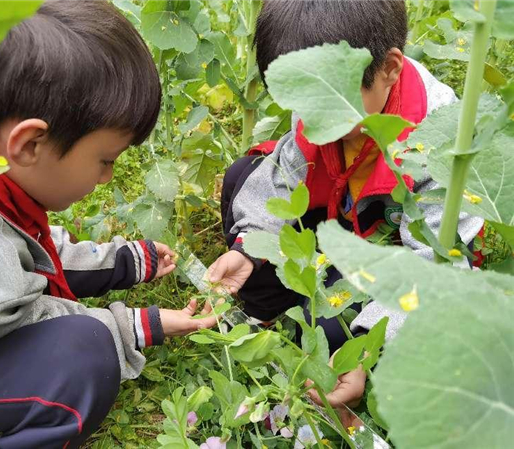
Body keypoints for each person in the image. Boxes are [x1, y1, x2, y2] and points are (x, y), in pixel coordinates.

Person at [0, 2, 217, 447]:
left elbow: (33, 251)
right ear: (30, 143)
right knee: (81, 355)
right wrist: (137, 325)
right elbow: (27, 310)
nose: (108, 176)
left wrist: (127, 260)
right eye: (106, 160)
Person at [207, 0, 483, 418]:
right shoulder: (324, 99)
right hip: (336, 220)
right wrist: (247, 249)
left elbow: (438, 270)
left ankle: (336, 333)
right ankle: (267, 306)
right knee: (242, 178)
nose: (310, 117)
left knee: (337, 334)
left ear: (390, 69)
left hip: (391, 256)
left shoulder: (440, 143)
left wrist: (369, 342)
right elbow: (282, 177)